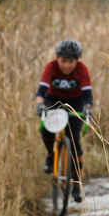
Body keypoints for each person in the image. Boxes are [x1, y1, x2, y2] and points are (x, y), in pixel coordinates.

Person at [35, 38, 94, 203]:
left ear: (77, 61)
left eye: (70, 62)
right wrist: (40, 106)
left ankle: (76, 185)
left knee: (74, 142)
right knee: (46, 130)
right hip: (53, 101)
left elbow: (88, 96)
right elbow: (41, 92)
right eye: (63, 61)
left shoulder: (82, 70)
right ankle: (50, 155)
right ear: (57, 58)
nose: (66, 65)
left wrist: (88, 108)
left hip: (74, 104)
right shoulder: (51, 67)